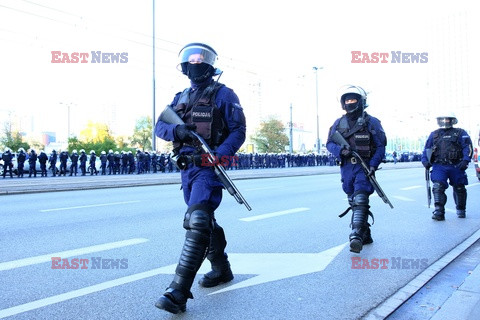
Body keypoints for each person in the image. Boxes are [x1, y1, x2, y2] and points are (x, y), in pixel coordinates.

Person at [154, 42, 246, 314]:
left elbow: (238, 130)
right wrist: (178, 132)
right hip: (187, 168)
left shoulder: (224, 94)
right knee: (205, 222)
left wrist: (222, 154)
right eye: (191, 59)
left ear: (211, 64)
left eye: (201, 59)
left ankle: (178, 291)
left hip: (210, 165)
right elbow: (160, 126)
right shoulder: (179, 97)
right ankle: (221, 268)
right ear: (184, 66)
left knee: (197, 220)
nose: (196, 63)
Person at [326, 84, 387, 254]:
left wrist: (373, 165)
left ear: (361, 101)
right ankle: (365, 234)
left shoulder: (372, 122)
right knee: (353, 201)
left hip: (364, 166)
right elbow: (329, 143)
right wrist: (340, 151)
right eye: (347, 100)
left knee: (361, 199)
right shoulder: (338, 123)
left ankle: (356, 236)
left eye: (353, 99)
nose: (350, 102)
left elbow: (380, 146)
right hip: (346, 167)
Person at [421, 112, 473, 220]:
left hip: (456, 165)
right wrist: (425, 161)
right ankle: (439, 212)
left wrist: (465, 160)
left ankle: (461, 209)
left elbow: (468, 147)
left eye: (447, 119)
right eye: (442, 119)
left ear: (452, 120)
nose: (445, 122)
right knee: (437, 187)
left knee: (459, 188)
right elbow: (426, 149)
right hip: (439, 166)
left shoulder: (460, 132)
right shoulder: (434, 134)